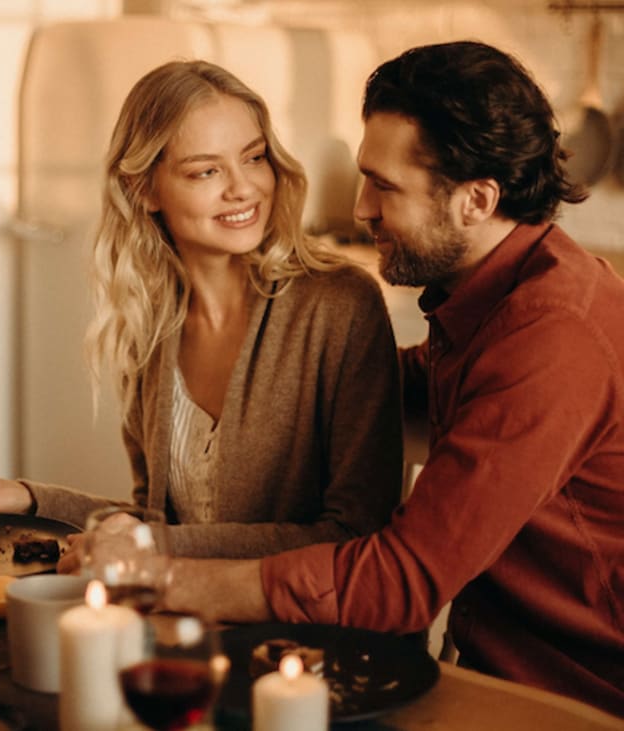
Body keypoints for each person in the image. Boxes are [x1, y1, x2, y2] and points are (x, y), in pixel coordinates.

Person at [159, 42, 624, 717]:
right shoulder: (492, 292)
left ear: (476, 199)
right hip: (494, 667)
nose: (361, 208)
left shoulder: (551, 335)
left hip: (575, 698)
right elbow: (396, 385)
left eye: (386, 185)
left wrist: (167, 580)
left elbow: (402, 579)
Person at [0, 60, 403, 566]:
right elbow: (160, 525)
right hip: (189, 619)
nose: (243, 188)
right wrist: (26, 499)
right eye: (206, 170)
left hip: (302, 638)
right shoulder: (150, 326)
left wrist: (150, 544)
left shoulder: (340, 306)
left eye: (254, 158)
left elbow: (355, 535)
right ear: (144, 190)